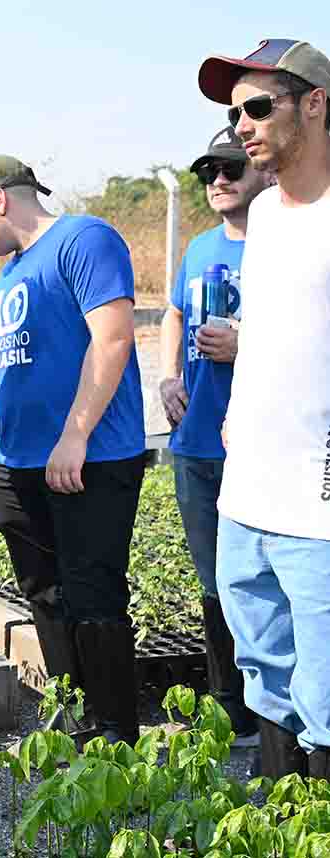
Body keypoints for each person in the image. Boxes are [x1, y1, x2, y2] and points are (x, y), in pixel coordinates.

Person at [0, 155, 146, 745]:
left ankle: (114, 738)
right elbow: (10, 372)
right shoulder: (10, 275)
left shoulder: (83, 239)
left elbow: (112, 339)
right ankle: (76, 723)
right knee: (45, 596)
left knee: (94, 597)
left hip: (89, 457)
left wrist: (76, 433)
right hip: (20, 462)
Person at [198, 37, 330, 780]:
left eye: (256, 107)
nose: (241, 126)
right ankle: (282, 820)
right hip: (246, 494)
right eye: (234, 113)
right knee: (264, 674)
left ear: (314, 103)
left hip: (319, 501)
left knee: (327, 692)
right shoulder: (268, 216)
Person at [158, 126, 271, 751]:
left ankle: (277, 714)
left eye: (230, 168)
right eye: (207, 172)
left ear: (263, 170)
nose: (218, 181)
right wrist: (168, 375)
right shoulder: (200, 247)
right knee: (214, 580)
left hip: (264, 444)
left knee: (268, 580)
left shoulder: (288, 242)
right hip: (198, 441)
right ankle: (232, 710)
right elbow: (174, 312)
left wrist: (246, 343)